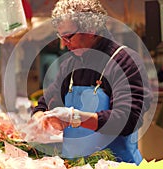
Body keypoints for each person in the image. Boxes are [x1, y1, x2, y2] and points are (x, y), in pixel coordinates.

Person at [31, 0, 152, 164]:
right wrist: (40, 116)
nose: (63, 44)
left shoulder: (125, 62)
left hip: (116, 165)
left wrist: (75, 117)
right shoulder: (70, 64)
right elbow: (46, 101)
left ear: (91, 29)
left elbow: (126, 119)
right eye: (61, 37)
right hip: (74, 164)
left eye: (68, 36)